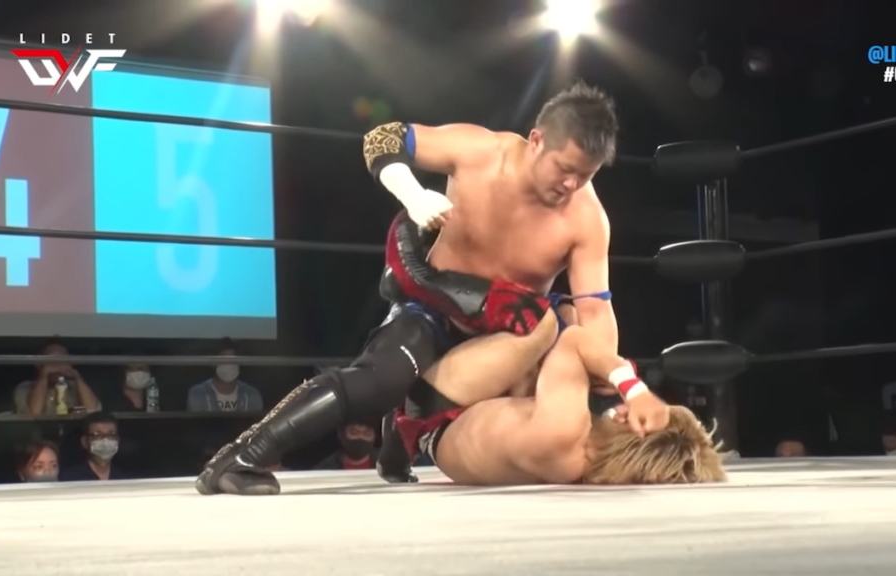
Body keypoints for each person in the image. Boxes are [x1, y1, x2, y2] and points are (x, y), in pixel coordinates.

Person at [196, 81, 653, 496]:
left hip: (505, 338)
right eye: (565, 168)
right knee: (378, 382)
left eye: (585, 175)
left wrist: (609, 387)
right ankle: (240, 457)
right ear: (536, 141)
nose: (571, 184)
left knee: (561, 331)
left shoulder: (587, 219)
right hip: (434, 308)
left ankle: (402, 430)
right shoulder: (479, 152)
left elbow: (595, 311)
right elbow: (382, 138)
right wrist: (412, 194)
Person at [395, 324, 724, 485]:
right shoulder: (579, 466)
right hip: (457, 434)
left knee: (544, 324)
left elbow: (574, 339)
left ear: (633, 424)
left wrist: (634, 389)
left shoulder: (563, 433)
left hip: (435, 412)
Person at [61, 412, 132, 481]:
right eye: (97, 435)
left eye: (111, 435)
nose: (105, 441)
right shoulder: (71, 478)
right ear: (84, 442)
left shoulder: (125, 479)